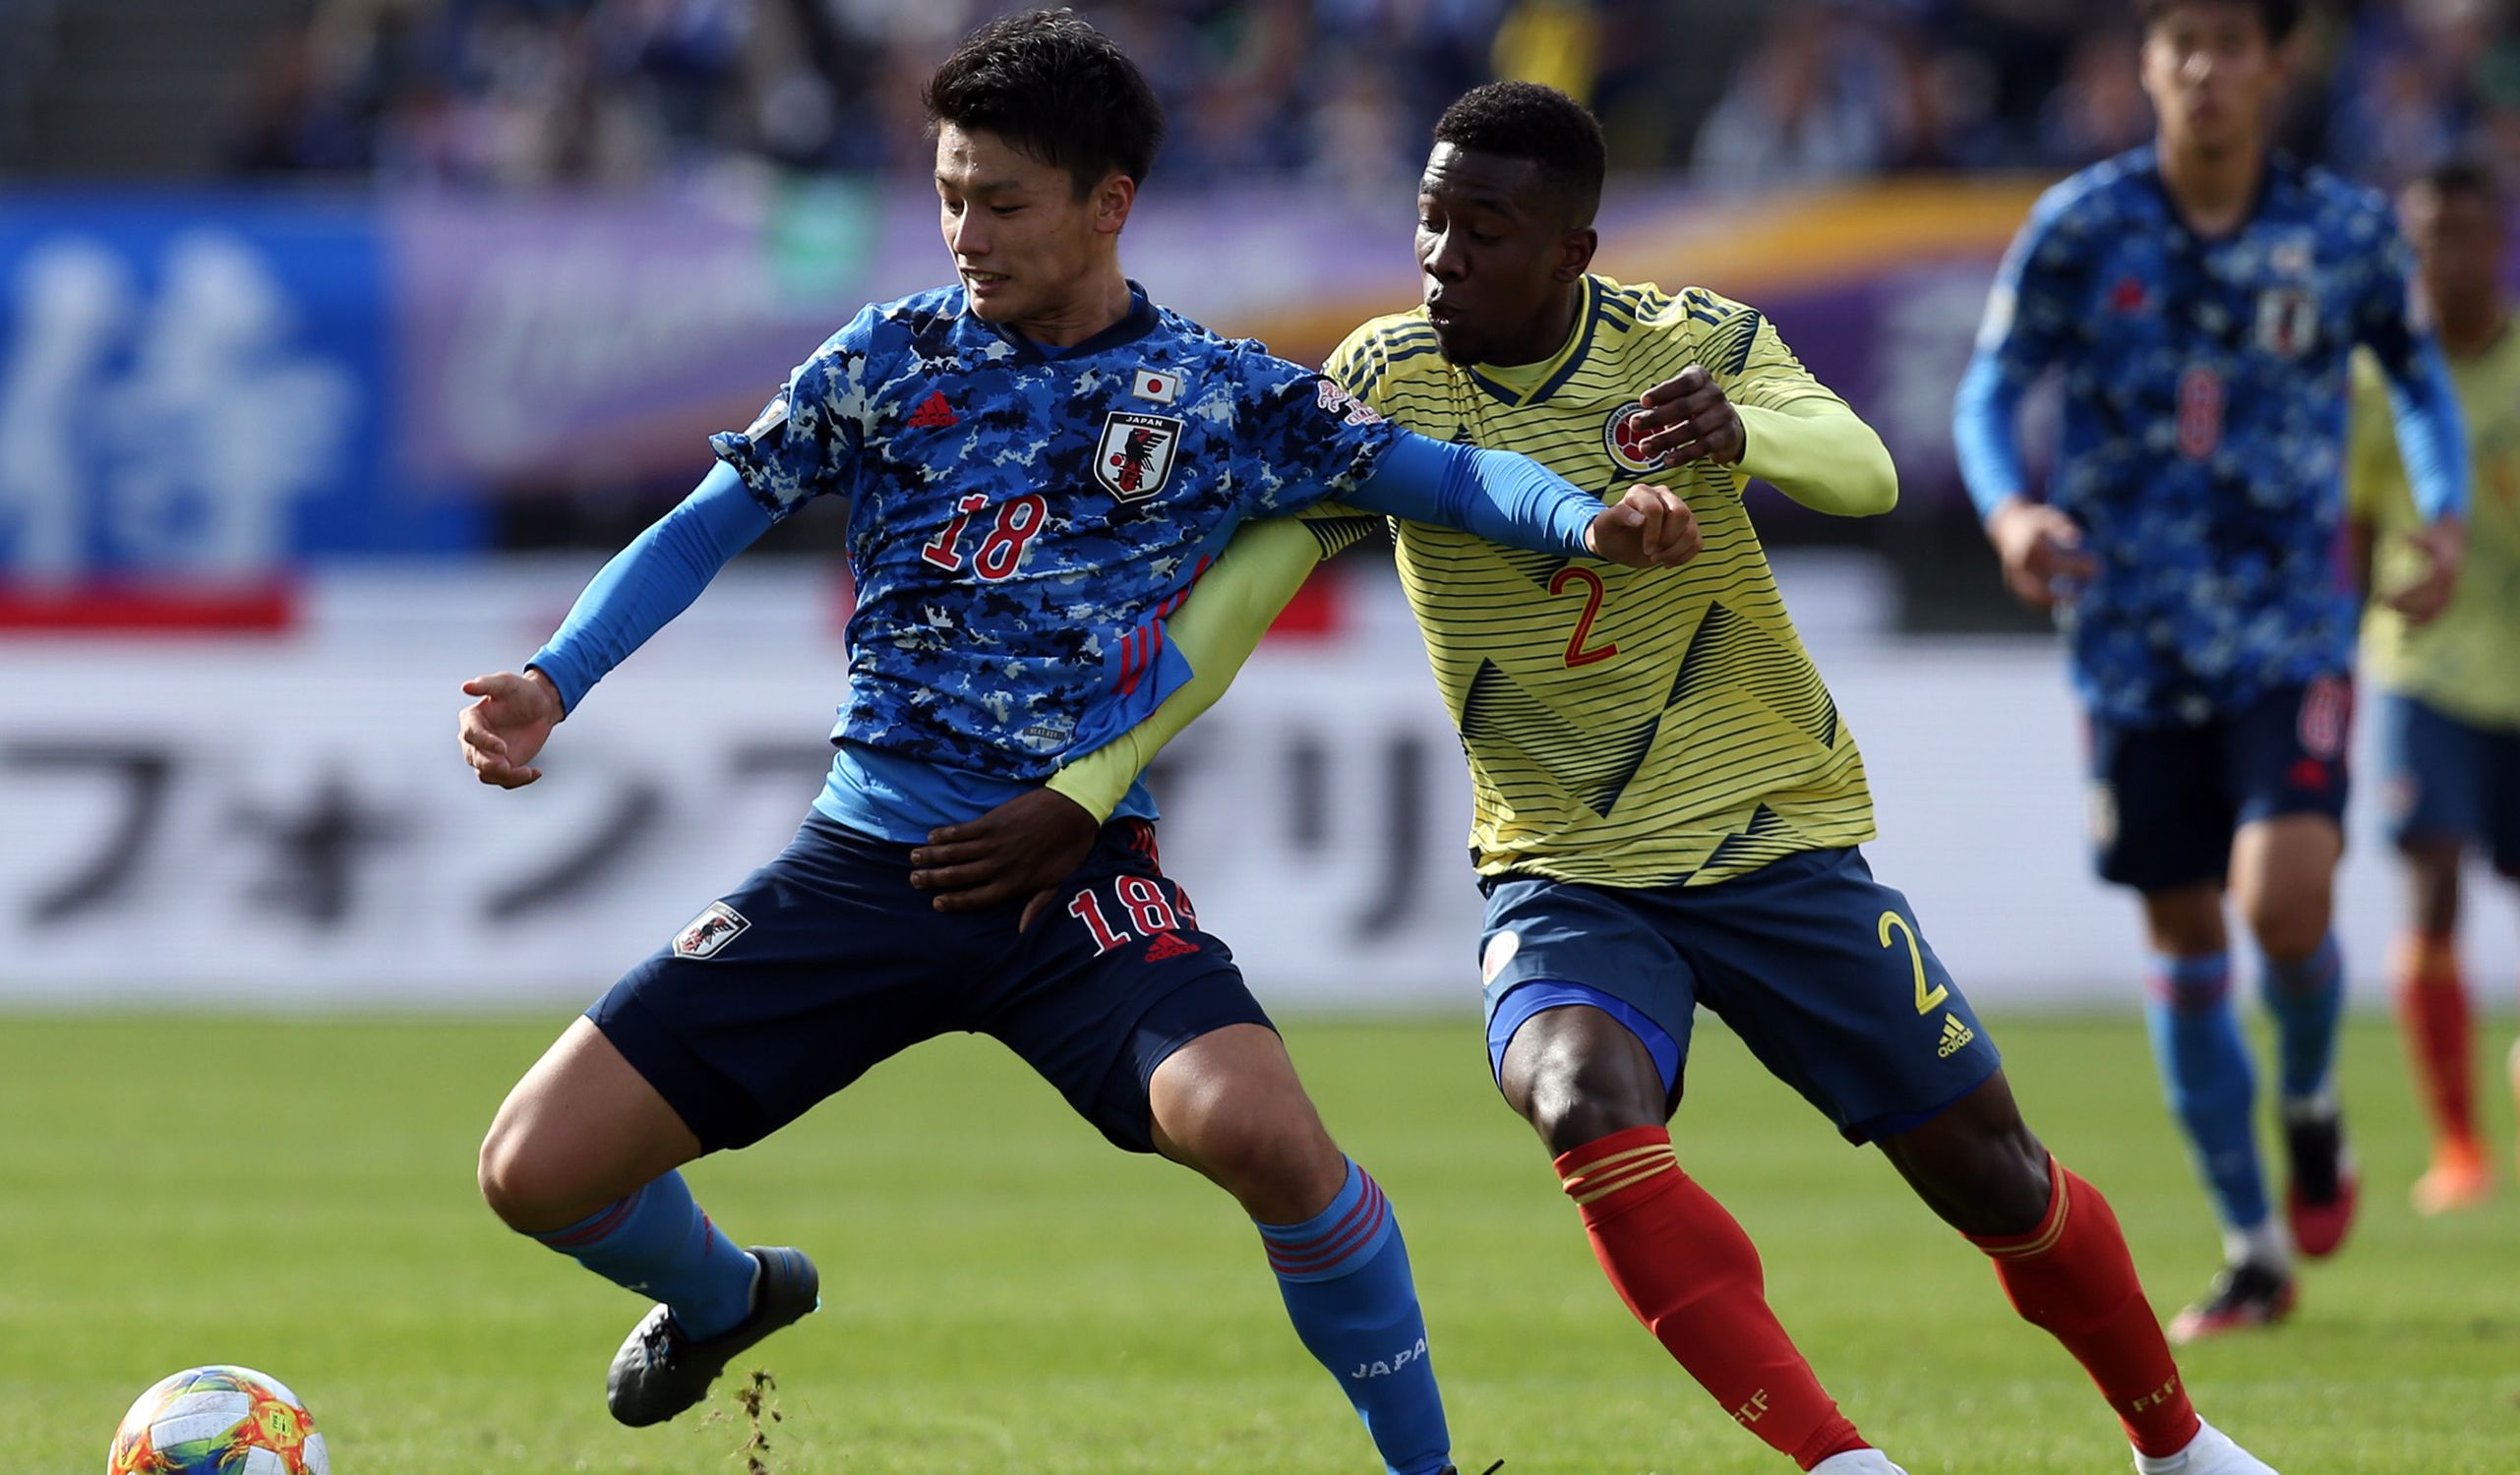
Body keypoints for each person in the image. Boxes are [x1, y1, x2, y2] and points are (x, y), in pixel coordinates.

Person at [911, 80, 2280, 1475]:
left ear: (1573, 251)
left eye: (1483, 232)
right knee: (1579, 1095)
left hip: (1770, 838)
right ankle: (1842, 1463)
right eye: (1430, 223)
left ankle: (2176, 1448)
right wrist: (1088, 781)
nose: (1441, 257)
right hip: (1560, 870)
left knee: (1992, 1176)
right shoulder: (1385, 383)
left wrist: (1743, 435)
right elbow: (1236, 608)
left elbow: (1862, 472)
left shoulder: (1690, 347)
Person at [453, 14, 1695, 1473]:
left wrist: (1589, 520)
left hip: (1075, 881)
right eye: (946, 195)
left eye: (1000, 200)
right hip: (868, 863)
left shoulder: (1218, 395)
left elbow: (1447, 477)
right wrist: (556, 677)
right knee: (530, 1173)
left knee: (1269, 1140)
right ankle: (727, 1297)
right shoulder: (890, 356)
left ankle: (1428, 1471)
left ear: (1108, 203)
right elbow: (704, 524)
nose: (963, 233)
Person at [1952, 0, 2470, 1338]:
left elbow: (2414, 383)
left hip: (2289, 620)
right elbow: (1987, 387)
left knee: (2282, 902)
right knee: (2181, 930)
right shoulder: (2081, 223)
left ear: (2270, 68)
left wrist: (2441, 507)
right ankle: (2249, 1246)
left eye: (2228, 42)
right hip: (2125, 639)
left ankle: (2306, 1096)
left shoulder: (2342, 232)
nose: (2201, 68)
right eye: (2176, 41)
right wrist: (2010, 509)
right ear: (2145, 66)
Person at [2350, 160, 2520, 1211]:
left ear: (2499, 244)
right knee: (2431, 882)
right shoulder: (2376, 380)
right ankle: (2455, 1142)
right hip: (2420, 669)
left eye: (2461, 236)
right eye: (2423, 241)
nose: (2442, 260)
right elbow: (2351, 529)